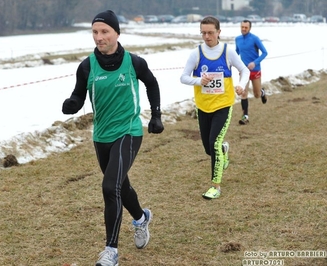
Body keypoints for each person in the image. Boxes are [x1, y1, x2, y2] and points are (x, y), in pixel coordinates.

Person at [62, 10, 164, 266]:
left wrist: (156, 116)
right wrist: (72, 104)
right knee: (122, 187)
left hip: (129, 131)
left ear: (117, 33)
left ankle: (111, 252)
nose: (99, 37)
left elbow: (152, 84)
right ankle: (141, 218)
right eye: (95, 32)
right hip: (101, 136)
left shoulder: (134, 62)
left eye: (104, 31)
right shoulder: (87, 66)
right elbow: (78, 95)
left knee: (110, 188)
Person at [180, 16, 250, 199]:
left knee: (214, 144)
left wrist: (241, 85)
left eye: (210, 32)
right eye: (203, 33)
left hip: (223, 105)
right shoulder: (196, 53)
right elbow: (184, 77)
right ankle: (224, 150)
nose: (207, 36)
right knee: (208, 148)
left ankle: (215, 186)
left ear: (219, 32)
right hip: (203, 106)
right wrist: (199, 80)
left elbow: (245, 70)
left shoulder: (227, 52)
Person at [235, 19, 268, 125]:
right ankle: (245, 116)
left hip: (255, 69)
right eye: (242, 27)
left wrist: (255, 62)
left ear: (250, 28)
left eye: (246, 27)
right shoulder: (238, 39)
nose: (243, 29)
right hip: (244, 70)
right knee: (243, 93)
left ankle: (262, 92)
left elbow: (265, 52)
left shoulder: (255, 39)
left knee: (256, 94)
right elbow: (237, 52)